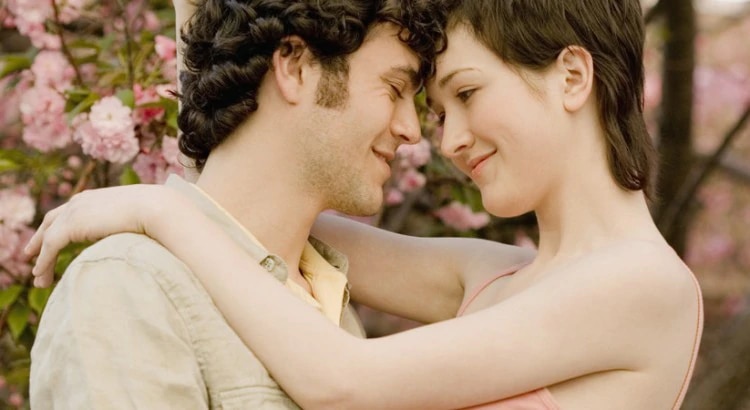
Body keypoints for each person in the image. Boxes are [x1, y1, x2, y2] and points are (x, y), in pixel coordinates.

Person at [27, 0, 705, 409]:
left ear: (573, 75)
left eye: (465, 94)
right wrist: (235, 47)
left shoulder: (644, 284)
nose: (443, 139)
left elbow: (342, 382)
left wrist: (160, 211)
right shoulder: (491, 276)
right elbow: (251, 207)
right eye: (433, 107)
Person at [27, 0, 448, 408]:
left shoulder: (324, 293)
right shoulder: (129, 284)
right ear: (295, 66)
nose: (411, 130)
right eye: (394, 89)